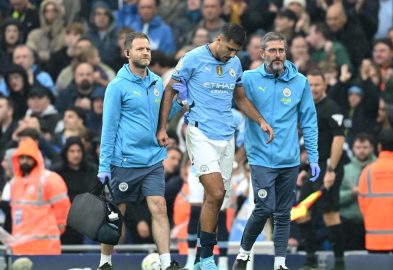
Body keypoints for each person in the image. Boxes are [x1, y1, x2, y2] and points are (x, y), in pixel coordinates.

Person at [157, 23, 274, 269]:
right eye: (230, 49)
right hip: (199, 133)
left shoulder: (234, 64)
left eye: (236, 51)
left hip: (226, 138)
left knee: (216, 200)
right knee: (216, 192)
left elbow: (240, 98)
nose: (232, 55)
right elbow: (170, 91)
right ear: (218, 39)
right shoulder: (192, 58)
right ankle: (207, 258)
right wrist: (162, 128)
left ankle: (202, 259)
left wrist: (261, 120)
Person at [231, 32, 319, 270]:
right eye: (272, 50)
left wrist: (313, 156)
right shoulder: (248, 79)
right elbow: (225, 99)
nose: (277, 55)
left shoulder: (299, 81)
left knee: (283, 213)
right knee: (263, 208)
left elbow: (309, 121)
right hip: (260, 158)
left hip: (289, 159)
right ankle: (243, 254)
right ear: (262, 54)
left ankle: (279, 263)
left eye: (281, 50)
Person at [97, 32, 184, 270]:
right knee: (117, 213)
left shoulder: (157, 82)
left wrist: (179, 104)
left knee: (159, 206)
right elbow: (109, 127)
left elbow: (161, 118)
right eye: (139, 49)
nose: (145, 52)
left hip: (153, 158)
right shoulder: (116, 86)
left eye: (147, 49)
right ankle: (105, 262)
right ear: (127, 54)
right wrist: (104, 165)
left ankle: (166, 263)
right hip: (124, 161)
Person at [297, 69, 345, 270]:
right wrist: (304, 169)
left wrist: (332, 169)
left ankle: (340, 263)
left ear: (325, 85)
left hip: (329, 167)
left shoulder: (332, 107)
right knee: (301, 211)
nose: (313, 88)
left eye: (317, 84)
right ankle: (310, 259)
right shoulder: (307, 107)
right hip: (314, 169)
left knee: (330, 214)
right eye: (310, 85)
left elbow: (338, 139)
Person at [10, 137, 71, 255]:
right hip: (19, 248)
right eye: (21, 158)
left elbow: (63, 210)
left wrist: (56, 231)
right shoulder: (14, 183)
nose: (24, 161)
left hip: (45, 247)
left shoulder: (49, 179)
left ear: (36, 158)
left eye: (28, 158)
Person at [339, 133, 376, 251]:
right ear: (353, 149)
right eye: (358, 147)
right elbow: (336, 197)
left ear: (372, 148)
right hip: (349, 224)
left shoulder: (378, 170)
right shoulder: (345, 170)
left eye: (365, 147)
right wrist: (351, 194)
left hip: (373, 223)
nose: (361, 151)